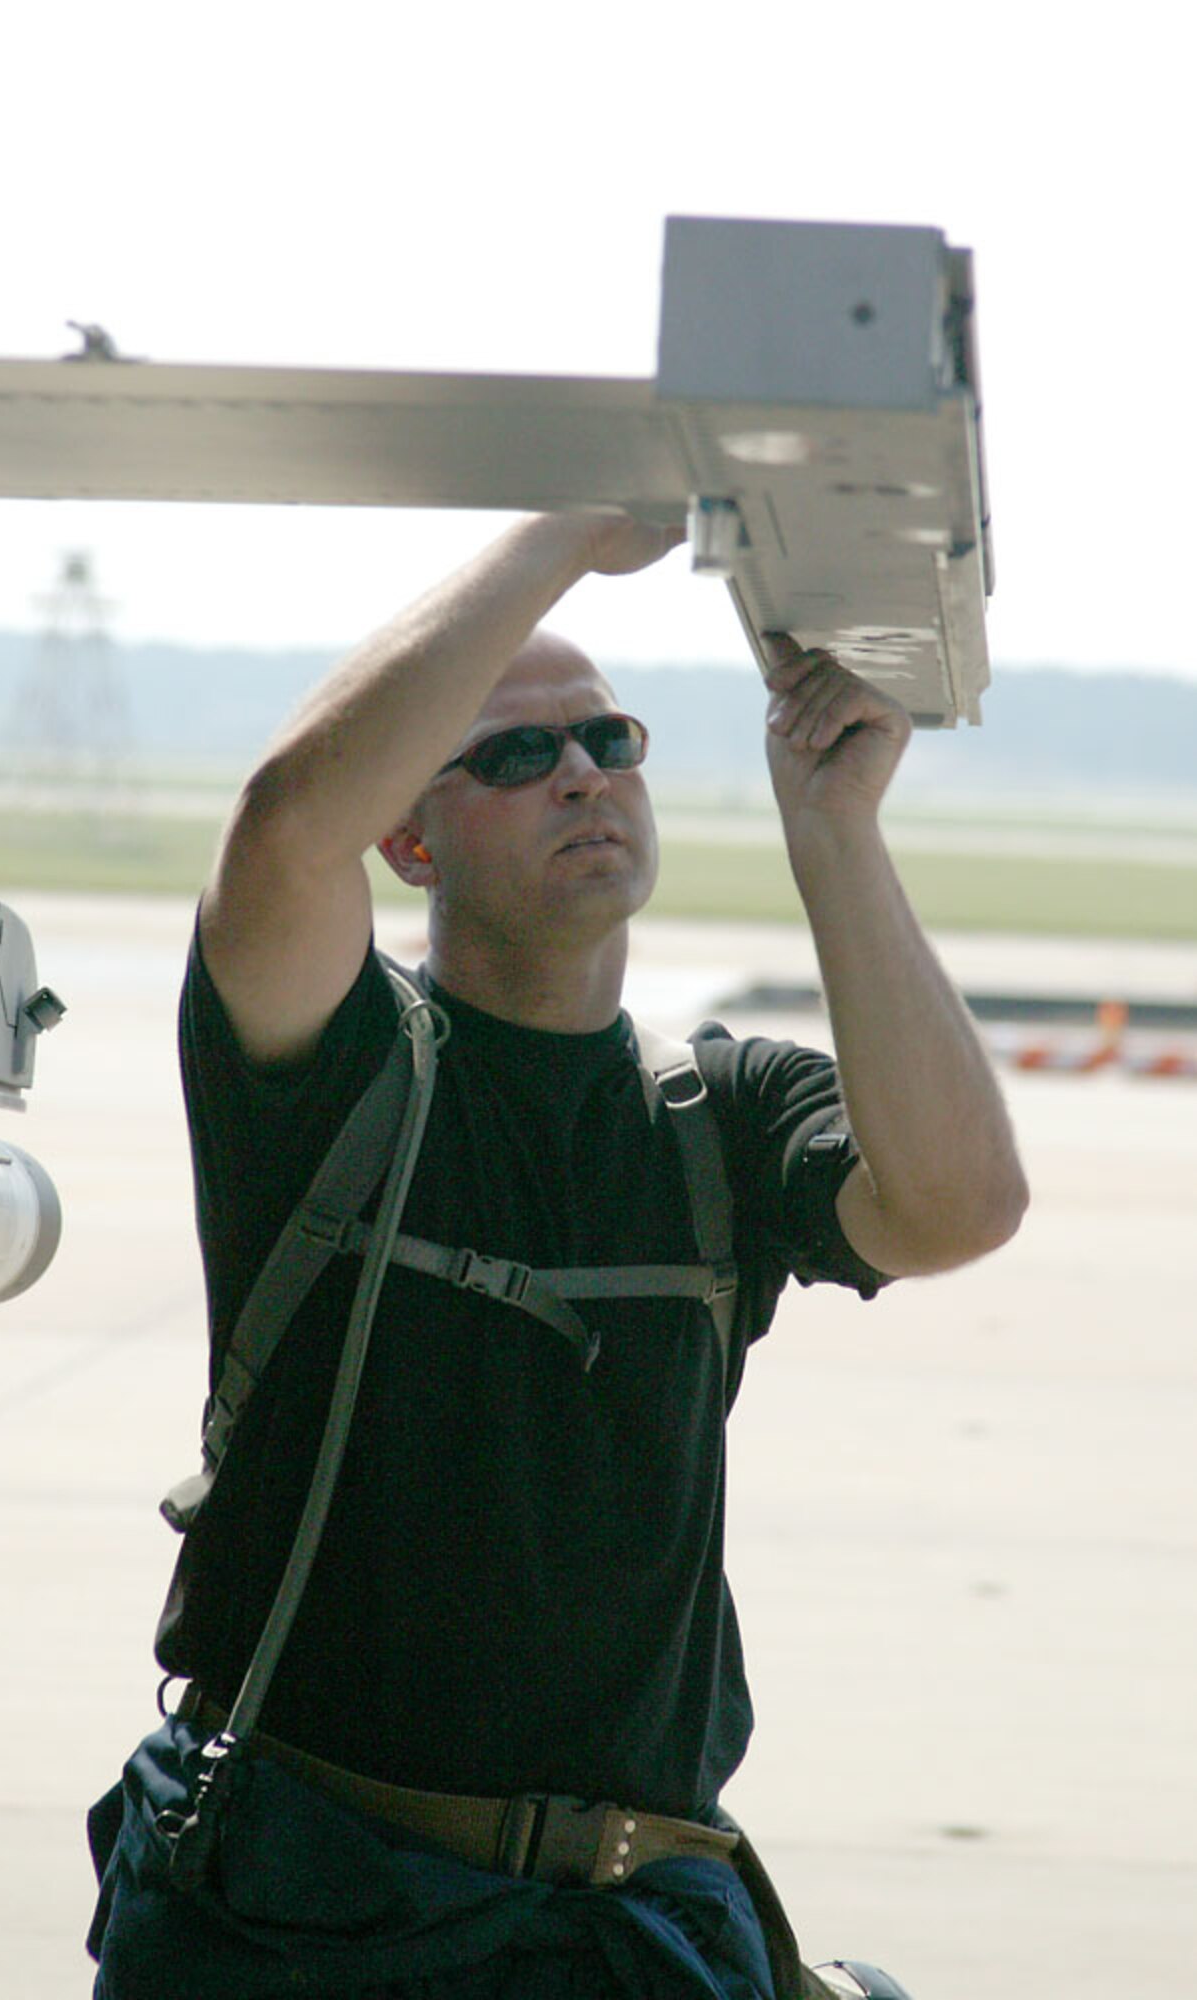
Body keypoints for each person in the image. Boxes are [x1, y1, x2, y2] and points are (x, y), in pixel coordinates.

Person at [85, 511, 1028, 1999]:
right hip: (310, 1910)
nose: (582, 771)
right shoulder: (334, 1074)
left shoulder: (718, 1113)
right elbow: (280, 829)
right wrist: (571, 536)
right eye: (516, 756)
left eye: (609, 738)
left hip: (631, 1926)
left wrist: (835, 833)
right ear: (409, 835)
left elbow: (960, 1205)